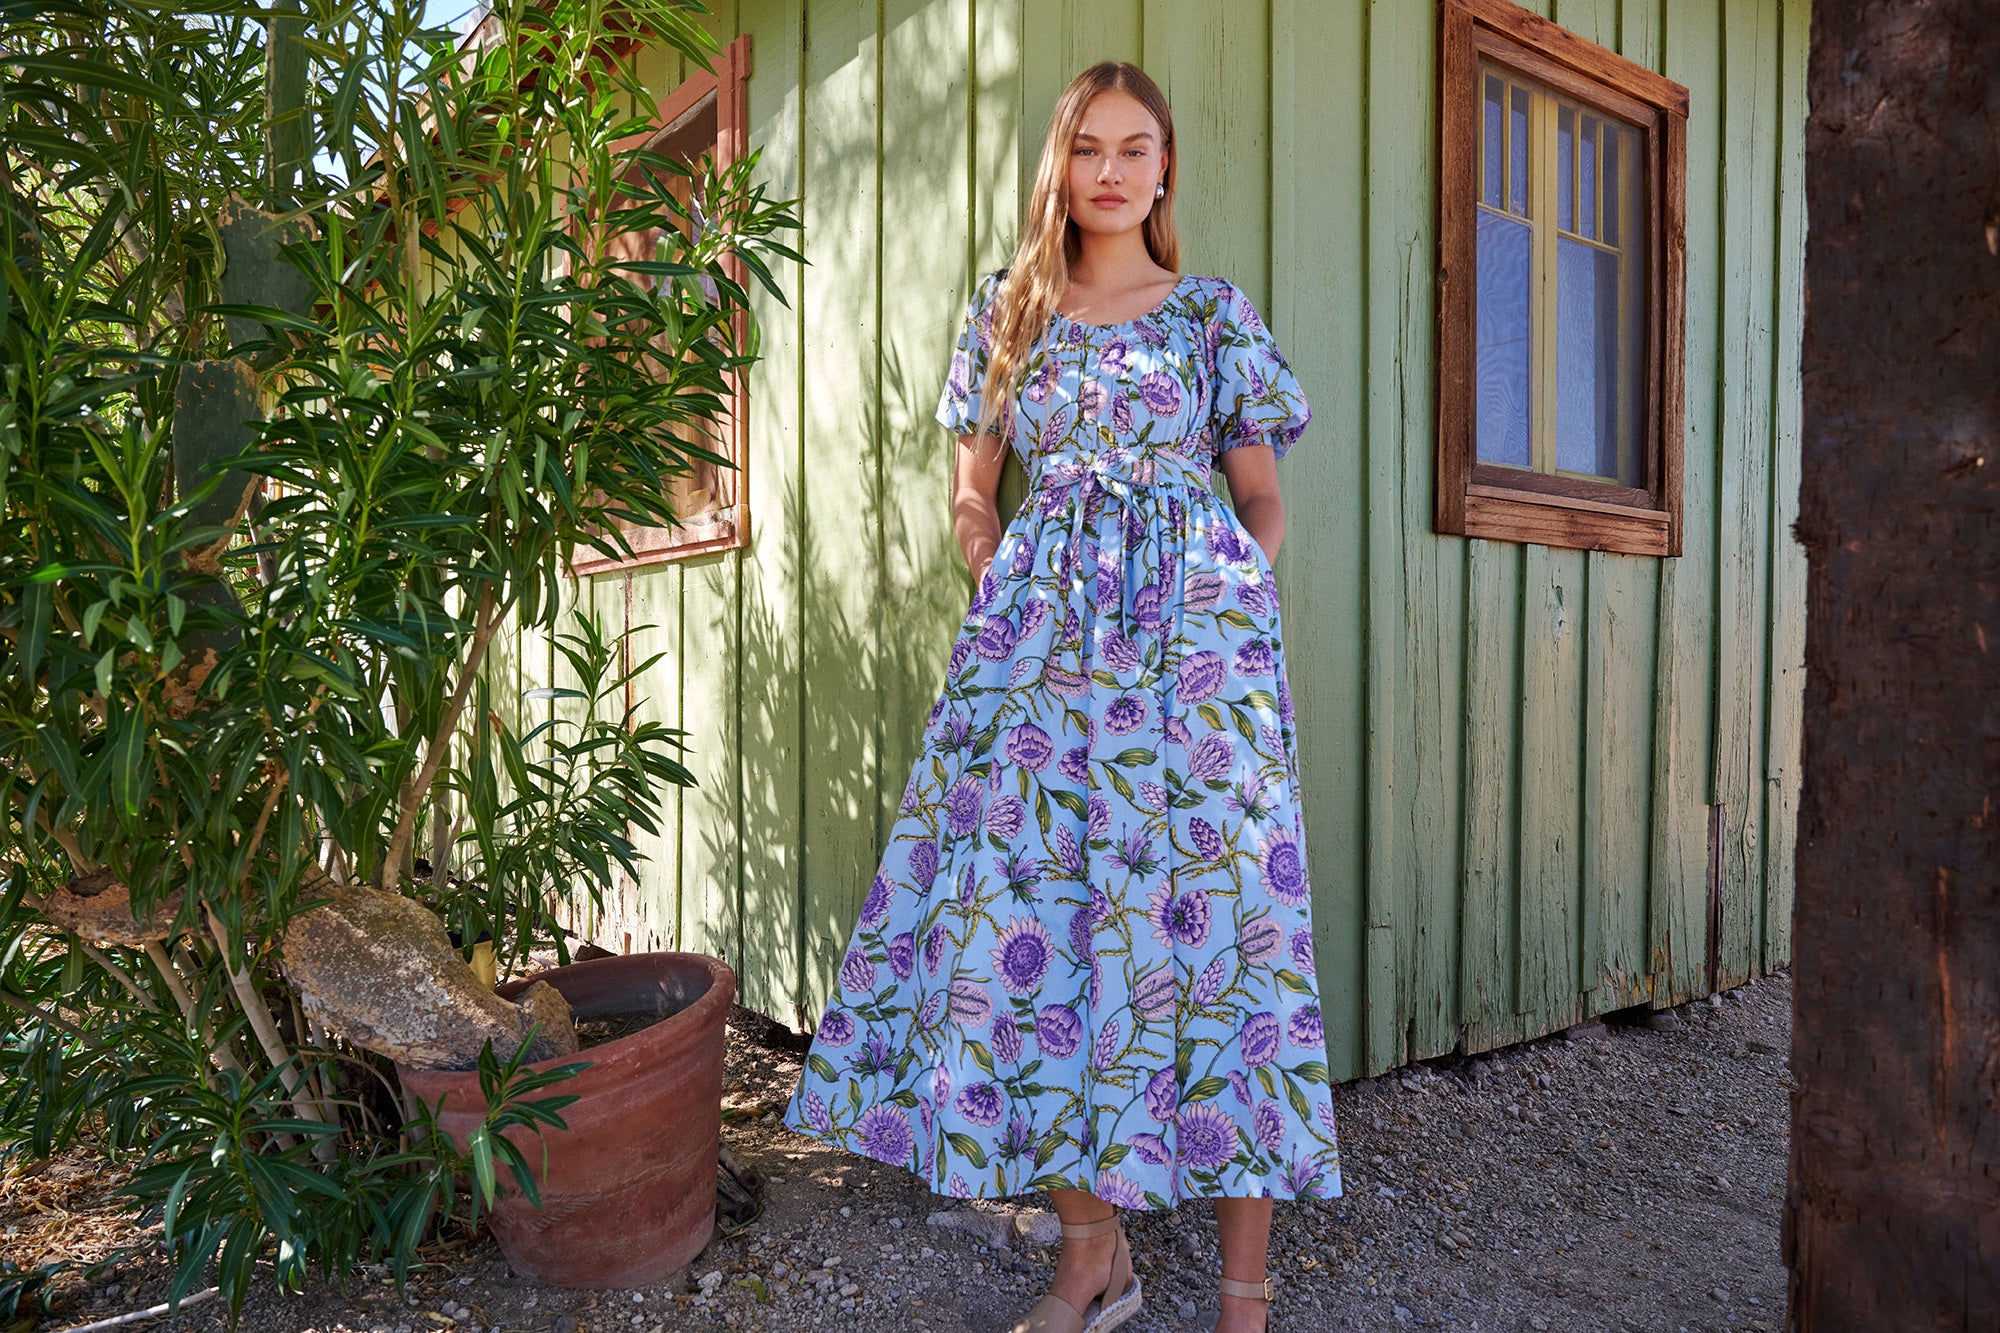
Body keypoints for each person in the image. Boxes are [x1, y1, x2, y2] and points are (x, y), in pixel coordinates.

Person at [781, 59, 1342, 1333]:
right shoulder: (1011, 309)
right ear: (1060, 165)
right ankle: (1092, 1257)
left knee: (1224, 938)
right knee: (1034, 934)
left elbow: (1260, 492)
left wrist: (1240, 576)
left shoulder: (1209, 315)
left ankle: (1242, 1299)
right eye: (1087, 147)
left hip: (1196, 662)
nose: (1108, 169)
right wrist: (989, 561)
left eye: (1133, 147)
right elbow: (973, 489)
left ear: (1162, 169)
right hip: (1039, 651)